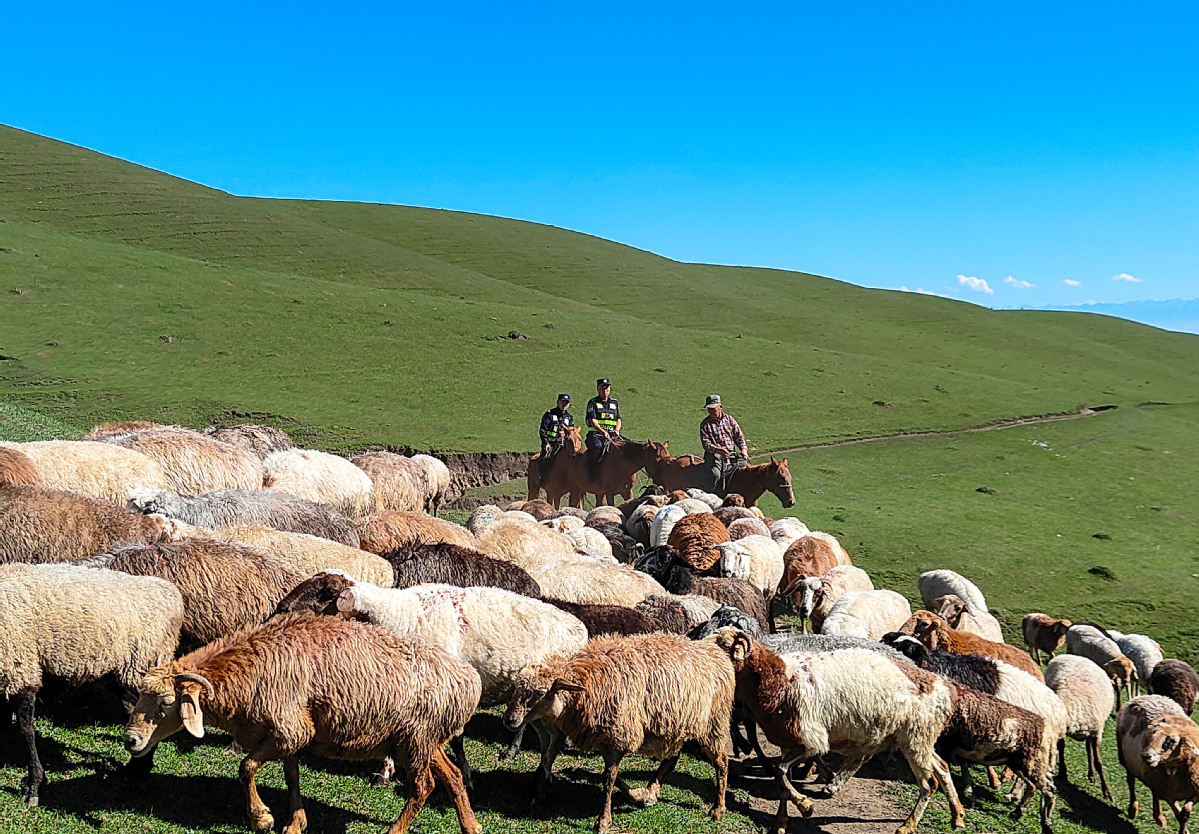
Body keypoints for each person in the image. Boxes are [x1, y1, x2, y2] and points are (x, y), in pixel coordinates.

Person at [700, 394, 748, 492]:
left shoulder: (730, 420)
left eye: (713, 409)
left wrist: (743, 449)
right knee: (715, 474)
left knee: (746, 470)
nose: (711, 411)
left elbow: (739, 436)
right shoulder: (705, 424)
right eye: (709, 409)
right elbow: (706, 444)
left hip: (731, 453)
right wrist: (718, 450)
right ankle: (711, 494)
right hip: (714, 455)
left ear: (720, 407)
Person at [584, 378, 621, 466]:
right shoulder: (593, 402)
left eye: (607, 387)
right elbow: (593, 421)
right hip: (596, 435)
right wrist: (603, 432)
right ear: (598, 389)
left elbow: (618, 419)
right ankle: (592, 471)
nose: (605, 390)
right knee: (597, 447)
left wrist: (617, 431)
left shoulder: (614, 402)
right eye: (602, 388)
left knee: (627, 446)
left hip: (612, 435)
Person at [537, 393, 574, 476]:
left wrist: (564, 434)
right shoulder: (549, 414)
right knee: (545, 459)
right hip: (551, 444)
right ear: (558, 402)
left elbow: (571, 432)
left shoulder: (569, 417)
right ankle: (542, 478)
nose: (564, 404)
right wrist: (546, 443)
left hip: (564, 445)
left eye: (566, 403)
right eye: (562, 402)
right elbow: (543, 430)